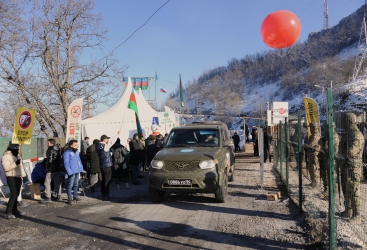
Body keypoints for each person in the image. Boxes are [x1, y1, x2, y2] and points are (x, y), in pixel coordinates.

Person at [339, 113, 364, 223]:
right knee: (345, 189)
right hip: (345, 166)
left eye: (344, 122)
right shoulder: (347, 134)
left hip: (353, 168)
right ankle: (348, 210)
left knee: (354, 191)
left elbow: (351, 151)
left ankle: (357, 215)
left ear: (349, 122)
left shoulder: (357, 135)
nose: (343, 124)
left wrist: (340, 154)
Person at [2, 143, 26, 219]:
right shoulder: (6, 156)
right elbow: (6, 168)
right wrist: (16, 163)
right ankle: (8, 211)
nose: (18, 149)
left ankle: (15, 211)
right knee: (14, 194)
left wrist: (23, 175)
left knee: (17, 194)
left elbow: (20, 167)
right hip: (11, 177)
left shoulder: (17, 155)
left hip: (18, 177)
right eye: (16, 147)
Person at [96, 132, 120, 200]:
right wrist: (117, 134)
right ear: (104, 140)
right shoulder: (105, 146)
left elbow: (104, 154)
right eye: (107, 139)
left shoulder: (98, 146)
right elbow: (112, 142)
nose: (108, 140)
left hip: (102, 165)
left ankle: (103, 194)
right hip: (107, 165)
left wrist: (110, 154)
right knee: (107, 181)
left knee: (103, 180)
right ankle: (106, 195)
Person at [63, 140, 84, 205]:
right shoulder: (67, 153)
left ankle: (75, 196)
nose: (76, 146)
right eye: (75, 145)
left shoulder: (76, 152)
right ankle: (69, 198)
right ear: (71, 145)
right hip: (71, 171)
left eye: (76, 145)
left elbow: (79, 161)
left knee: (76, 184)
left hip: (77, 171)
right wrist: (69, 172)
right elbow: (66, 163)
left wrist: (81, 169)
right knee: (70, 185)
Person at [303, 122, 320, 188]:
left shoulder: (315, 136)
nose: (310, 129)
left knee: (314, 169)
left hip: (314, 155)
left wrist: (305, 146)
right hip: (311, 154)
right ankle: (313, 182)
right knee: (311, 169)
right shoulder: (312, 136)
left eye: (311, 128)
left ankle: (315, 183)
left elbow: (310, 145)